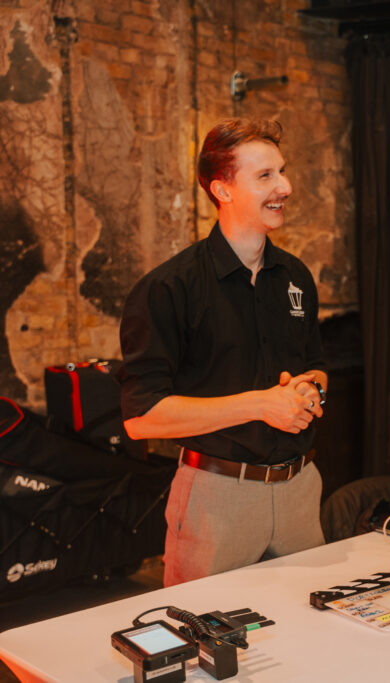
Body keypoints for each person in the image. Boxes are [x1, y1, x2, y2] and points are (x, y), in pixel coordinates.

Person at [119, 118, 328, 586]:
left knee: (312, 626)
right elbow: (141, 419)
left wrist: (310, 390)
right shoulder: (167, 289)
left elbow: (317, 366)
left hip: (300, 491)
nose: (285, 187)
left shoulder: (296, 276)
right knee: (205, 630)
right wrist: (260, 405)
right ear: (223, 189)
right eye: (265, 176)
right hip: (217, 498)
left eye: (282, 171)